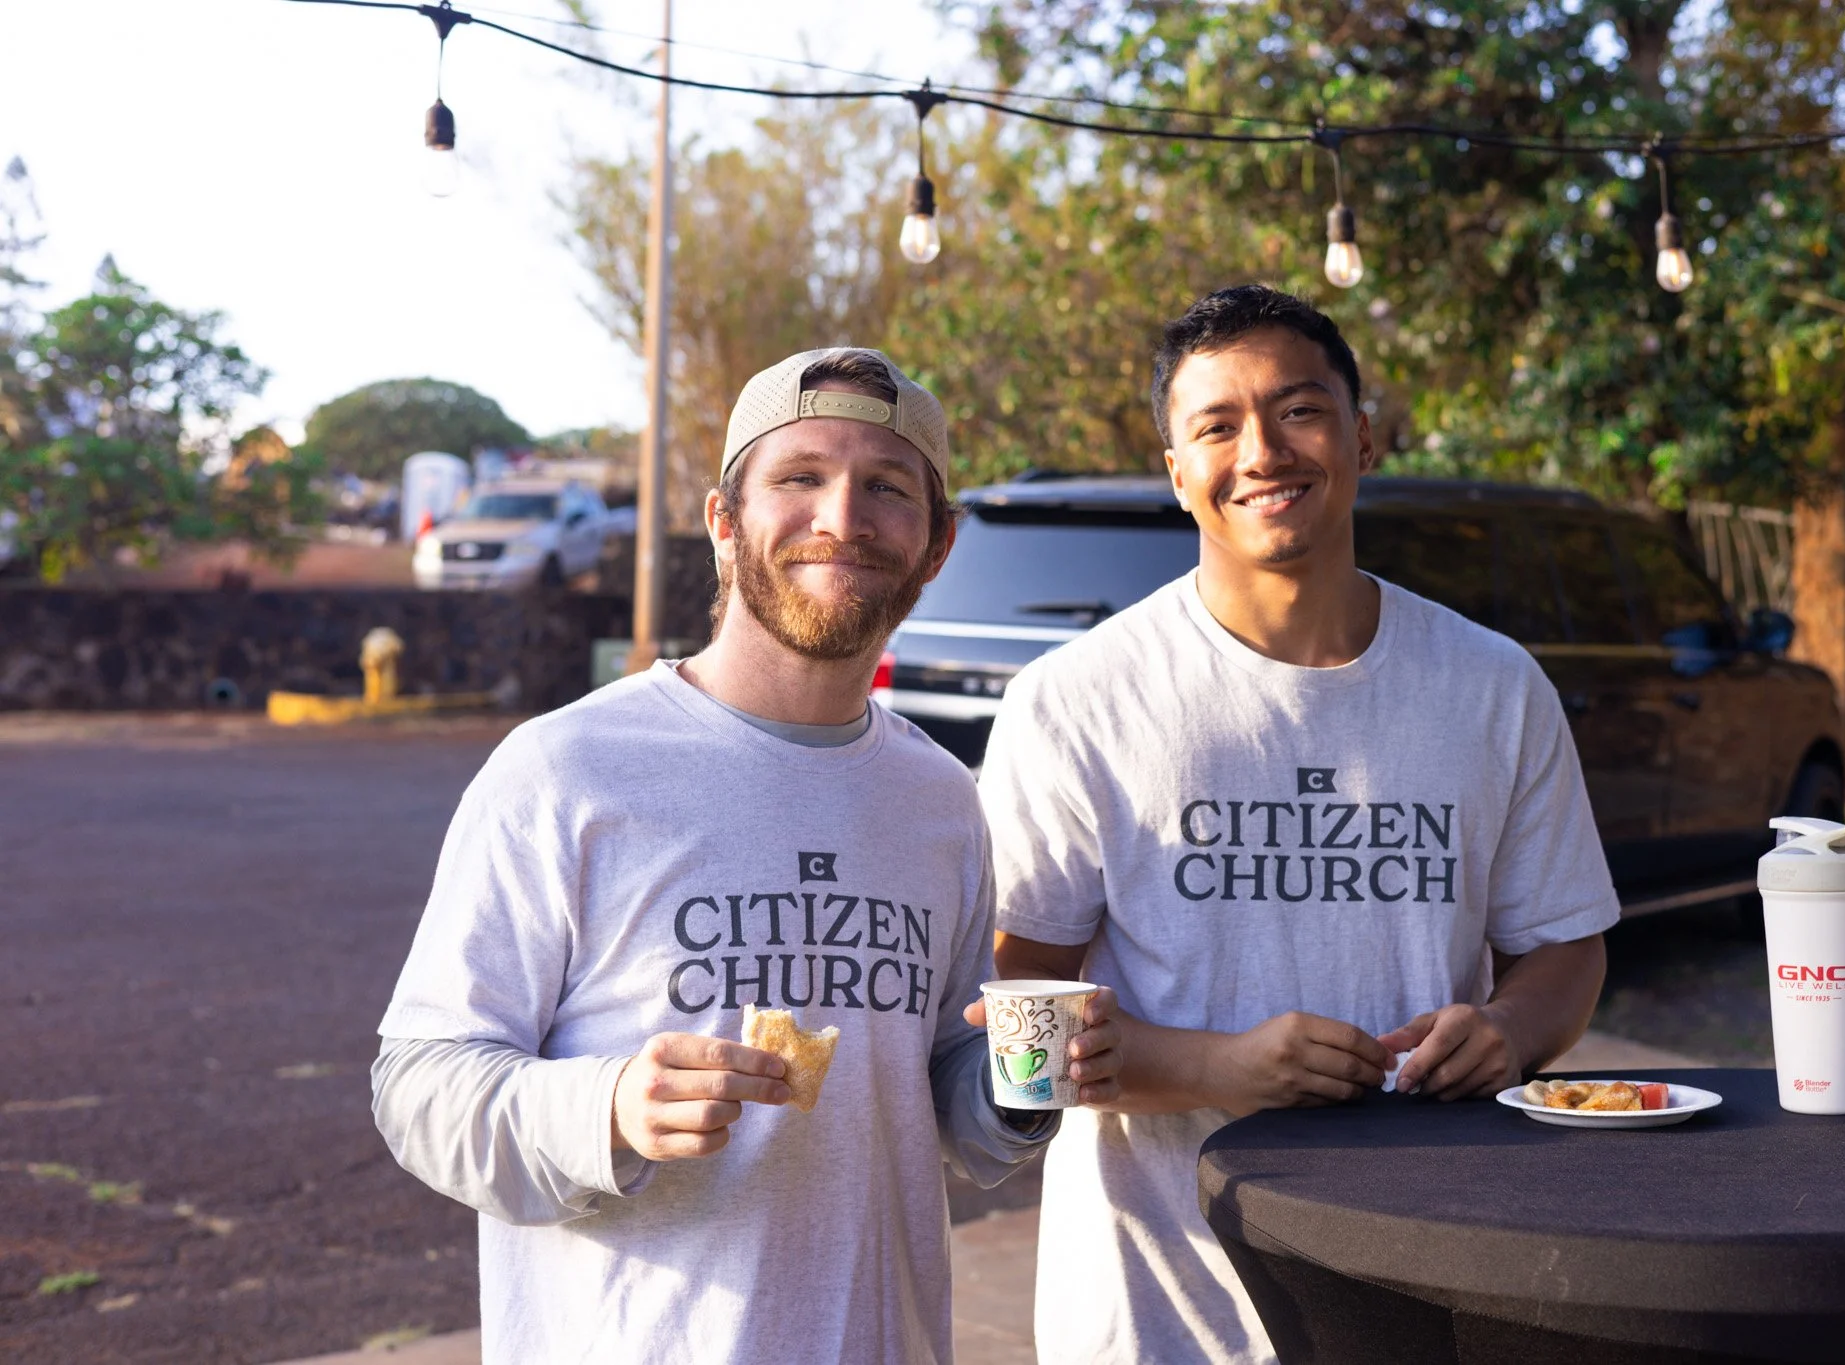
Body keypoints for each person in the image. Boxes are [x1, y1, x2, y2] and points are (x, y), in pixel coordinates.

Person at [372, 347, 1122, 1363]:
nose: (842, 517)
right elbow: (420, 1085)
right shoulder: (567, 769)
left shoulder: (939, 800)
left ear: (937, 544)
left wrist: (1016, 1083)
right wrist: (608, 1106)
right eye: (800, 476)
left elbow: (938, 1101)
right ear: (724, 523)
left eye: (886, 488)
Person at [977, 286, 1617, 1363]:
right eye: (1214, 426)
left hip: (1428, 1285)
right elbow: (1010, 1034)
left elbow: (1562, 951)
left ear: (1362, 438)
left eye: (1299, 410)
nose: (1261, 451)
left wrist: (1506, 1031)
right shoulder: (1076, 700)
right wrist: (1211, 1069)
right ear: (1176, 472)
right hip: (1155, 1313)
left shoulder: (1492, 686)